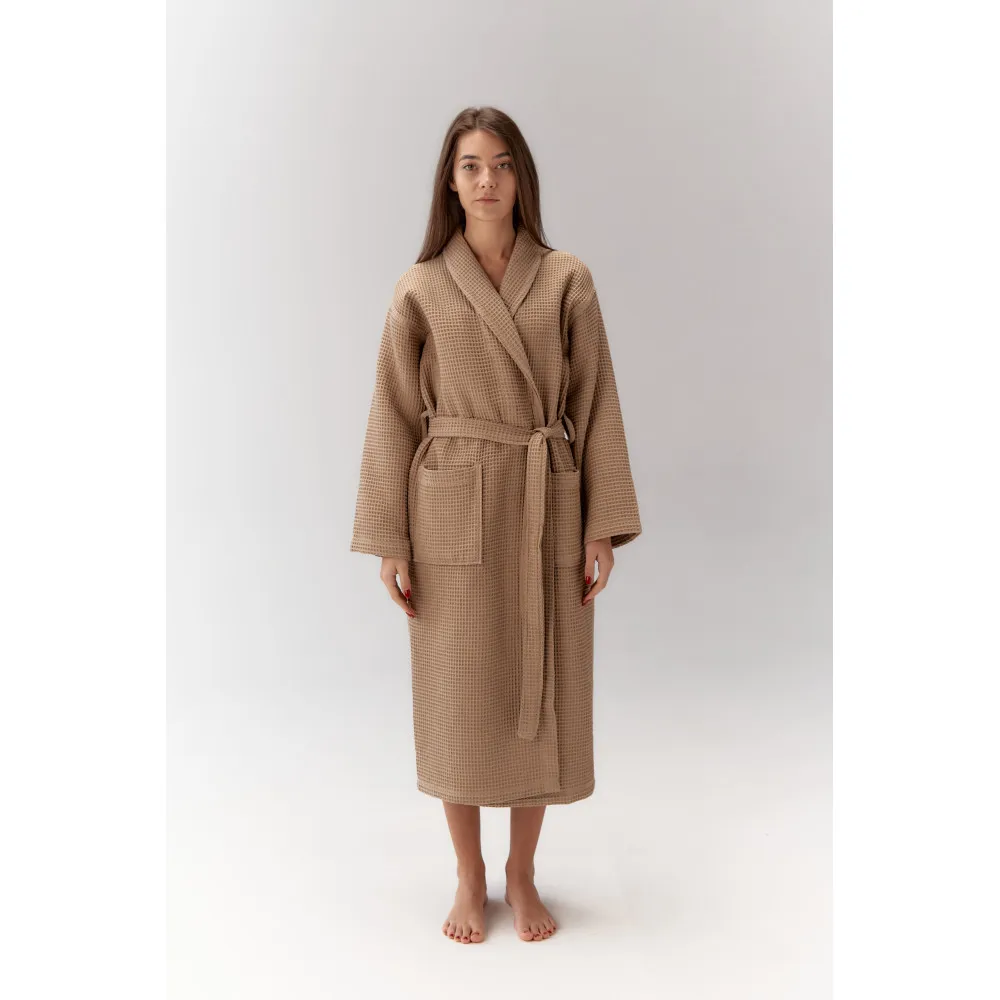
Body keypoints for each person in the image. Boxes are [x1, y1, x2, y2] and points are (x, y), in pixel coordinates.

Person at [350, 107, 642, 944]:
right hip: (451, 505)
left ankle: (522, 871)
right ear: (450, 181)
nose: (488, 180)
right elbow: (393, 412)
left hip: (544, 499)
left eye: (503, 164)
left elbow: (597, 400)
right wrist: (391, 538)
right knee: (459, 696)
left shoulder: (566, 278)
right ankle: (469, 874)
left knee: (539, 688)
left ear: (522, 179)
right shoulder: (420, 287)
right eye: (472, 165)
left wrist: (599, 525)